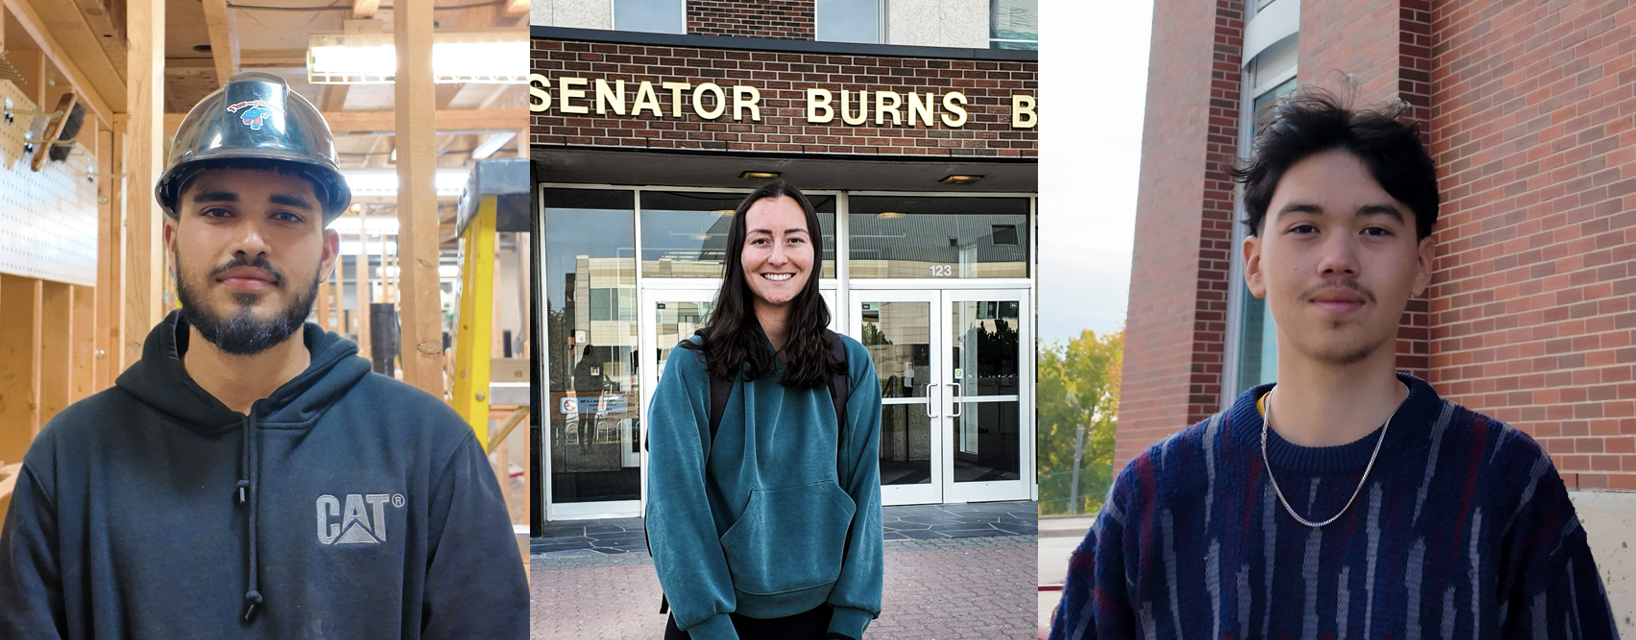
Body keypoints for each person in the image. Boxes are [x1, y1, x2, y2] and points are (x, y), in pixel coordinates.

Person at [1050, 90, 1619, 638]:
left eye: (1375, 229)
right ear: (1254, 266)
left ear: (1421, 265)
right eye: (1304, 228)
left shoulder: (1505, 484)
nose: (1337, 260)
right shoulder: (1154, 498)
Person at [0, 72, 528, 638]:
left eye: (285, 215)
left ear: (327, 255)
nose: (251, 239)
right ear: (172, 242)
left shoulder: (429, 450)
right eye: (219, 212)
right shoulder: (70, 458)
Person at [645, 180, 883, 640]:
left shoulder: (850, 365)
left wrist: (852, 618)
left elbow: (865, 493)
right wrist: (709, 624)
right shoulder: (693, 367)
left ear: (814, 254)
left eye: (795, 239)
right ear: (739, 255)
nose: (778, 257)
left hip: (823, 620)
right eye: (761, 240)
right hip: (716, 620)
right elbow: (673, 510)